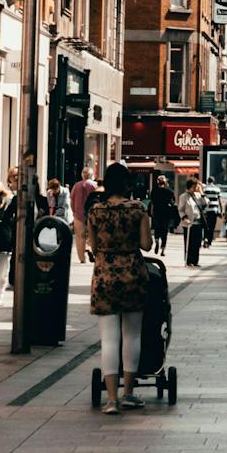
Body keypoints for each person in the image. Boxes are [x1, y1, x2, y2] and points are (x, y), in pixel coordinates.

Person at [86, 161, 153, 414]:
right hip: (133, 275)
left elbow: (93, 246)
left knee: (109, 340)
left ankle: (111, 400)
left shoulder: (95, 211)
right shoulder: (138, 209)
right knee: (132, 335)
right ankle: (129, 393)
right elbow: (146, 245)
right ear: (127, 184)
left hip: (104, 277)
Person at [70, 165, 98, 262]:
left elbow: (72, 201)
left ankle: (82, 258)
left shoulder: (76, 185)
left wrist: (74, 212)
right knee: (93, 234)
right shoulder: (95, 185)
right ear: (91, 175)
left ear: (82, 175)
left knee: (79, 236)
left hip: (78, 214)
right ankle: (90, 249)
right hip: (93, 213)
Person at [178, 177, 203, 268]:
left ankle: (195, 260)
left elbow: (205, 203)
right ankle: (189, 260)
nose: (196, 188)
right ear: (190, 186)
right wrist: (185, 218)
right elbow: (180, 209)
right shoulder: (183, 196)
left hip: (198, 222)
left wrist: (202, 193)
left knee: (197, 242)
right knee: (189, 242)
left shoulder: (198, 195)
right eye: (195, 186)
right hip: (189, 223)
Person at [150, 176, 177, 257]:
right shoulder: (169, 191)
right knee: (164, 231)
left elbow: (152, 202)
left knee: (157, 228)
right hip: (166, 213)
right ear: (165, 183)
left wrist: (151, 212)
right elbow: (173, 203)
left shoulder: (154, 191)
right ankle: (163, 249)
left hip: (157, 211)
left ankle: (157, 239)